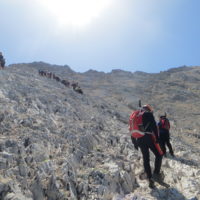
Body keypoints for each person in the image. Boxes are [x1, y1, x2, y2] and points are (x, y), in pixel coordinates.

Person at [130, 104, 163, 188]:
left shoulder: (135, 115)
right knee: (159, 155)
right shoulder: (148, 114)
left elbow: (132, 129)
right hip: (148, 137)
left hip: (139, 139)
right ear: (149, 109)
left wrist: (134, 143)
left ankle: (150, 178)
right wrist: (158, 139)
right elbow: (154, 127)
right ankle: (156, 174)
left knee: (146, 158)